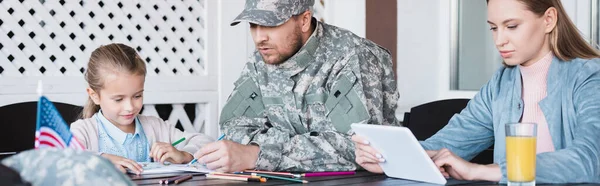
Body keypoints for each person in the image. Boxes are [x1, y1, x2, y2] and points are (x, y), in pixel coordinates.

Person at [354, 0, 600, 183]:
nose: (499, 40)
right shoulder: (502, 83)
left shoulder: (589, 76)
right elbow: (447, 145)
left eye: (511, 26)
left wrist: (482, 171)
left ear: (549, 20)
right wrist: (388, 157)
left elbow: (589, 160)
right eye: (494, 28)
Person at [193, 0, 399, 172]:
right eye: (253, 25)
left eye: (270, 25)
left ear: (304, 20)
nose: (259, 37)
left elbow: (361, 149)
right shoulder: (262, 59)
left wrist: (259, 154)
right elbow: (233, 127)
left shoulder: (353, 56)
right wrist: (294, 148)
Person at [70, 43, 213, 174]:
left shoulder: (155, 127)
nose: (130, 107)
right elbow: (63, 158)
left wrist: (184, 155)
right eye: (119, 99)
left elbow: (206, 142)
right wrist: (101, 160)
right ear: (95, 96)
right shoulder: (83, 131)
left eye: (137, 96)